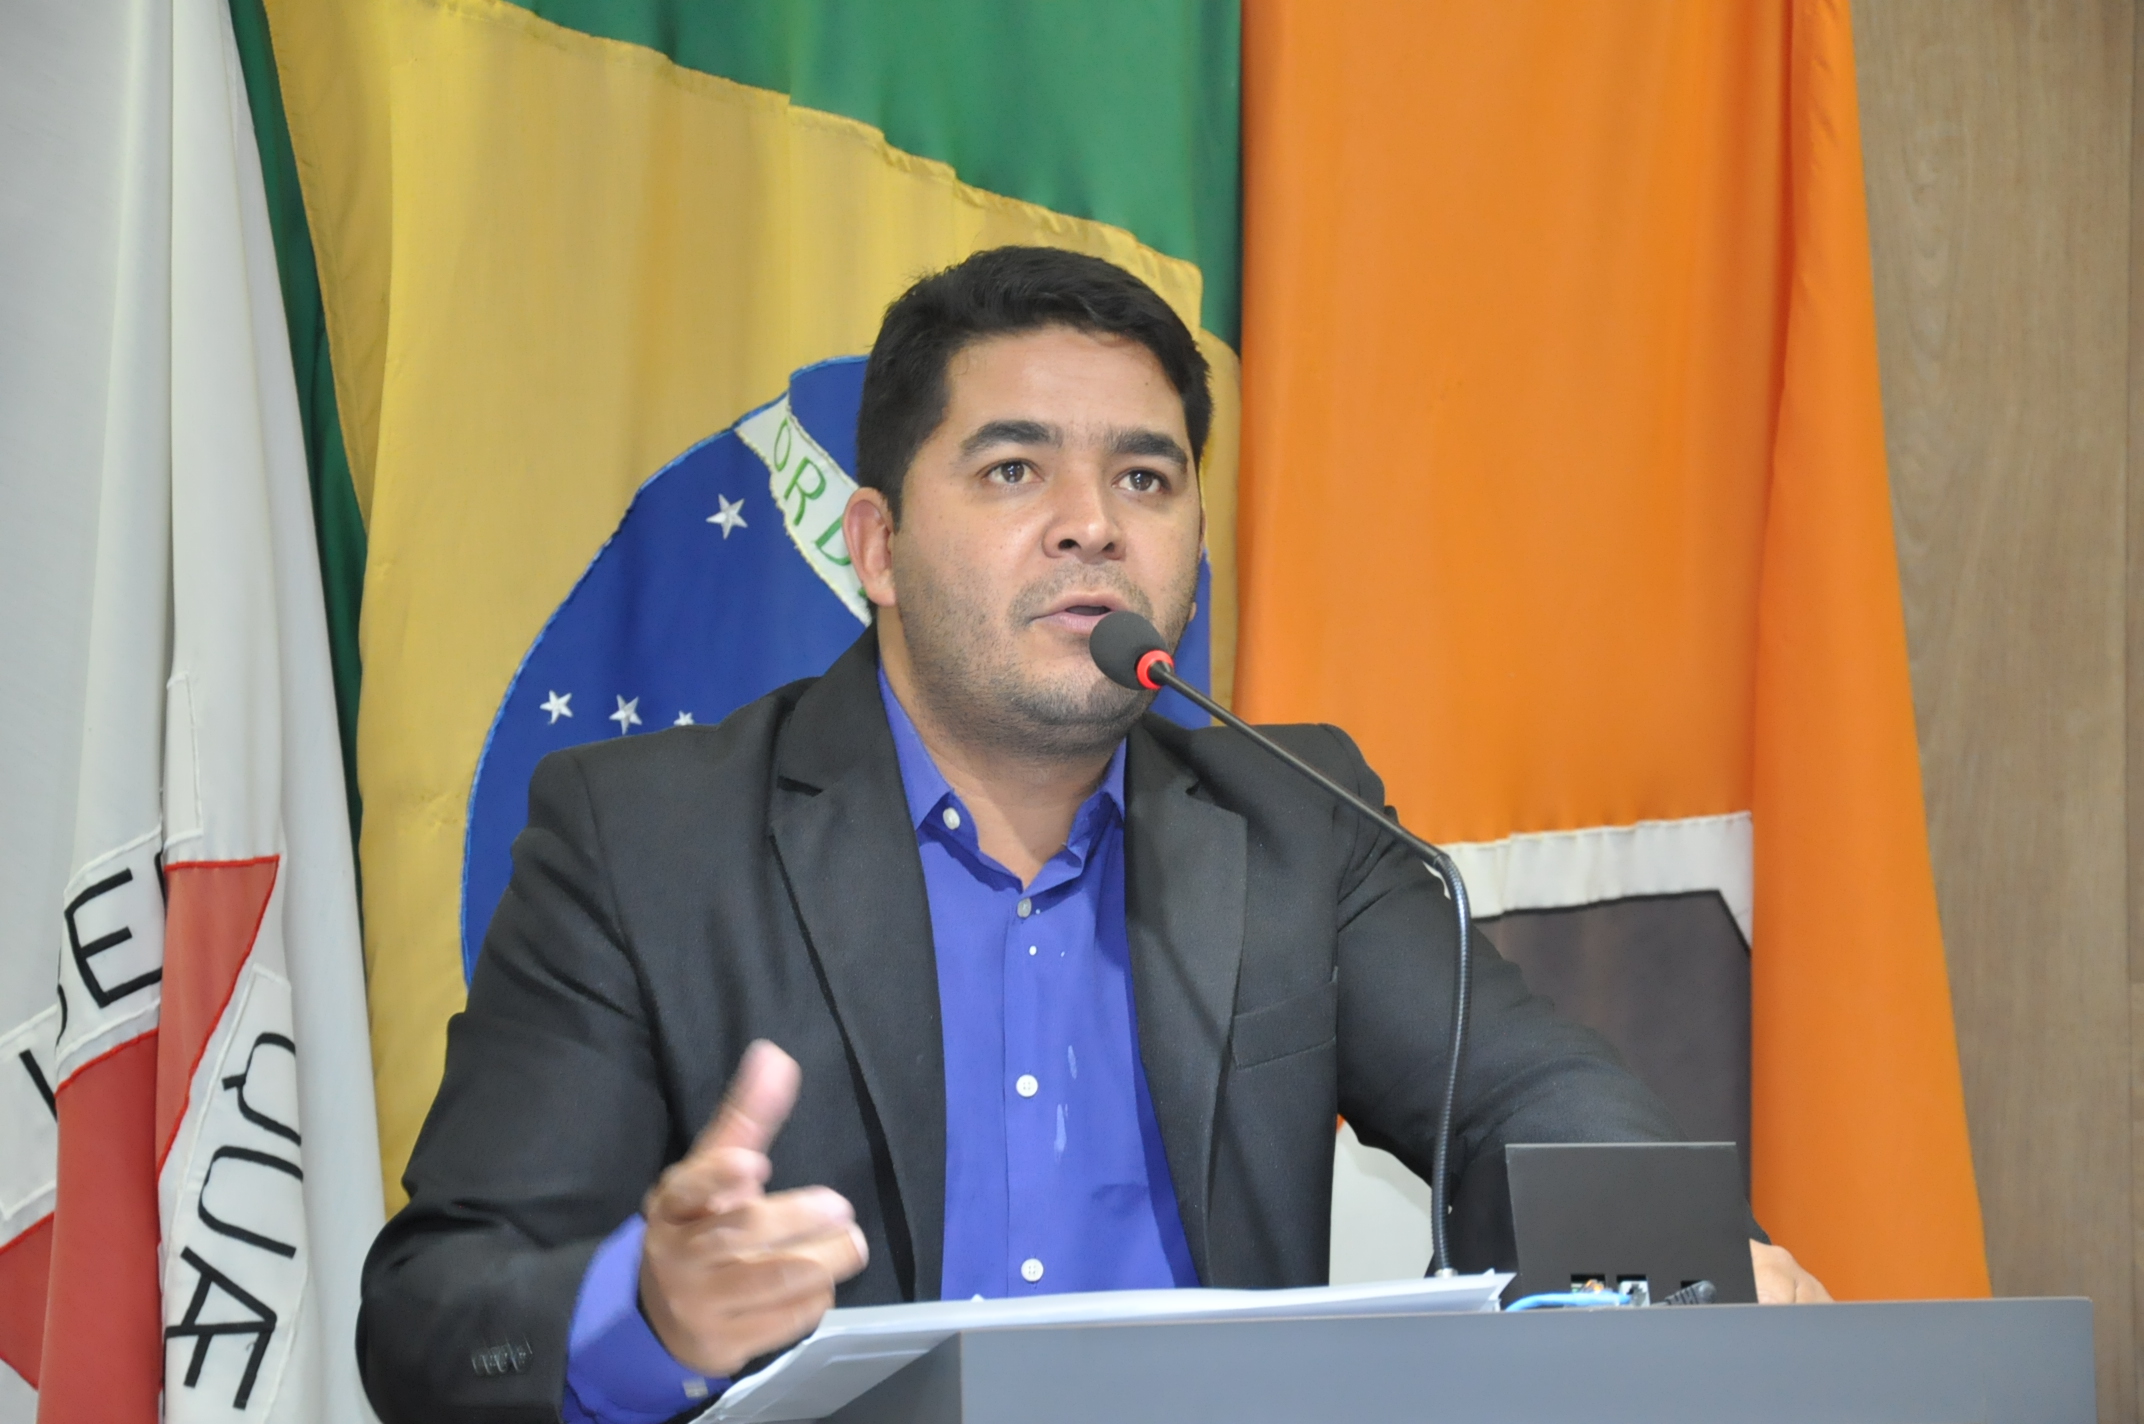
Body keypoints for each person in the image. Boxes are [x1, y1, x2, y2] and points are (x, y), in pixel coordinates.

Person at [356, 246, 1827, 1424]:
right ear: (876, 546)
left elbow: (1525, 1096)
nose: (1092, 525)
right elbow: (433, 1320)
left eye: (1146, 477)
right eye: (1014, 470)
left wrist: (1678, 1263)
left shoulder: (1291, 816)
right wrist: (648, 1315)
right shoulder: (647, 841)